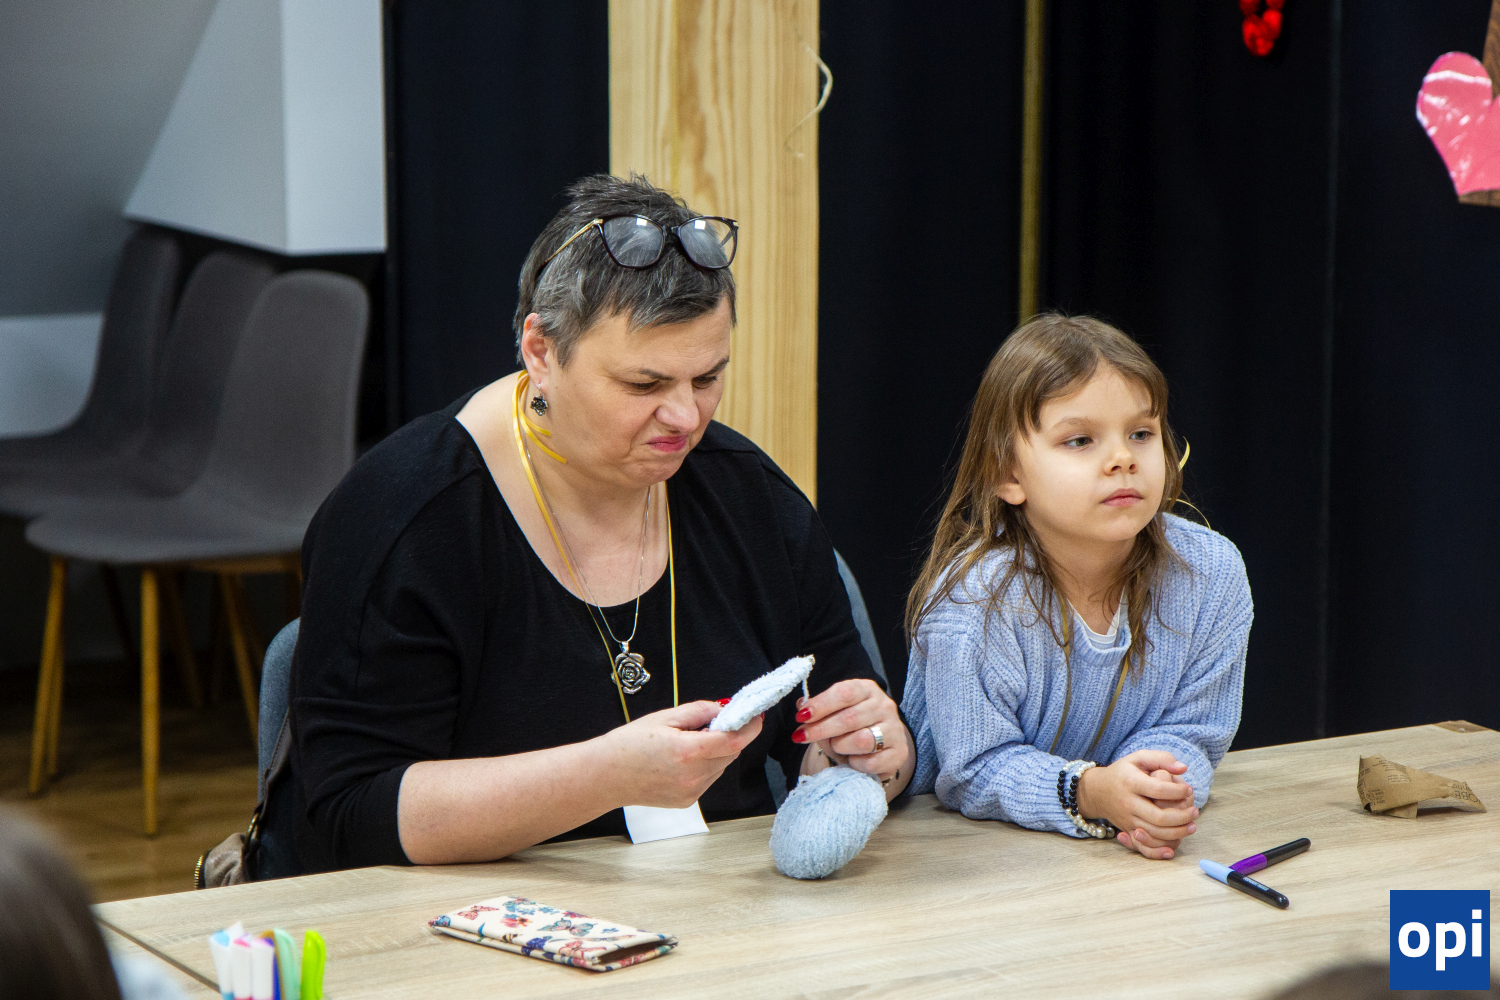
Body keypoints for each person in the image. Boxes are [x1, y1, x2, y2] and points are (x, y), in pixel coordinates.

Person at [259, 174, 914, 875]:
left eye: (707, 378)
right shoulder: (406, 516)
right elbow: (353, 816)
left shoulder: (749, 498)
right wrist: (609, 774)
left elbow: (845, 739)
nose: (685, 418)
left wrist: (873, 755)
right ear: (541, 353)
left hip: (713, 909)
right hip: (453, 917)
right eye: (644, 385)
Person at [901, 314, 1251, 860]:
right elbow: (973, 770)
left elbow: (1193, 730)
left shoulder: (1212, 572)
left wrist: (1153, 790)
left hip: (1111, 862)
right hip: (966, 861)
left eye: (1141, 434)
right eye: (1080, 440)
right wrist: (1090, 793)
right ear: (1007, 475)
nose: (1122, 459)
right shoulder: (972, 601)